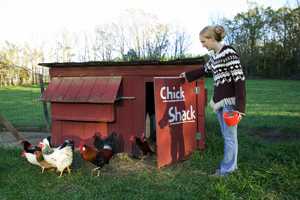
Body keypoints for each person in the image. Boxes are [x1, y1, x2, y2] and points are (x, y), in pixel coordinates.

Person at [180, 25, 246, 177]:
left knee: (230, 138)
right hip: (219, 103)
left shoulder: (228, 52)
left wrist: (240, 108)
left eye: (203, 41)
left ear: (211, 38)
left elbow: (239, 80)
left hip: (230, 104)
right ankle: (230, 167)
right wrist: (187, 76)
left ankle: (226, 171)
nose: (202, 45)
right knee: (227, 136)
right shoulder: (216, 55)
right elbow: (204, 69)